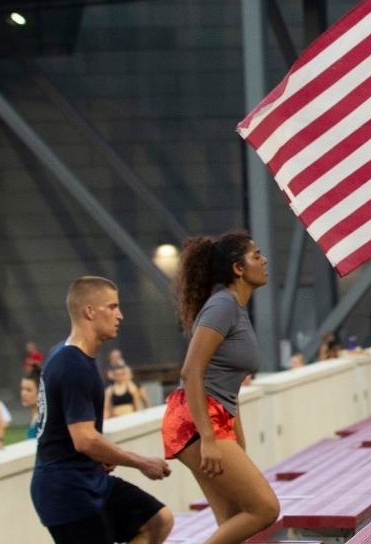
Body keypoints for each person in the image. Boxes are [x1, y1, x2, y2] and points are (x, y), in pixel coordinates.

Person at [30, 276, 173, 544]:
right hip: (67, 490)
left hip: (90, 478)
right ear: (89, 311)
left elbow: (69, 430)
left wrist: (101, 455)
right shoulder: (73, 365)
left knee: (158, 520)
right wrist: (141, 462)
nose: (120, 315)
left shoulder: (70, 355)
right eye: (112, 307)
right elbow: (84, 439)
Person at [161, 231, 279, 544]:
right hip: (195, 421)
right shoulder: (223, 306)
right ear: (238, 268)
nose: (264, 260)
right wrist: (209, 439)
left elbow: (228, 386)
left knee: (232, 520)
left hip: (214, 418)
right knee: (265, 508)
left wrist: (236, 438)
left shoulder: (235, 309)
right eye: (256, 255)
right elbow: (191, 372)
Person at [22, 363, 42, 439]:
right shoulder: (35, 418)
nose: (23, 393)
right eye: (22, 389)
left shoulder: (42, 422)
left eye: (29, 390)